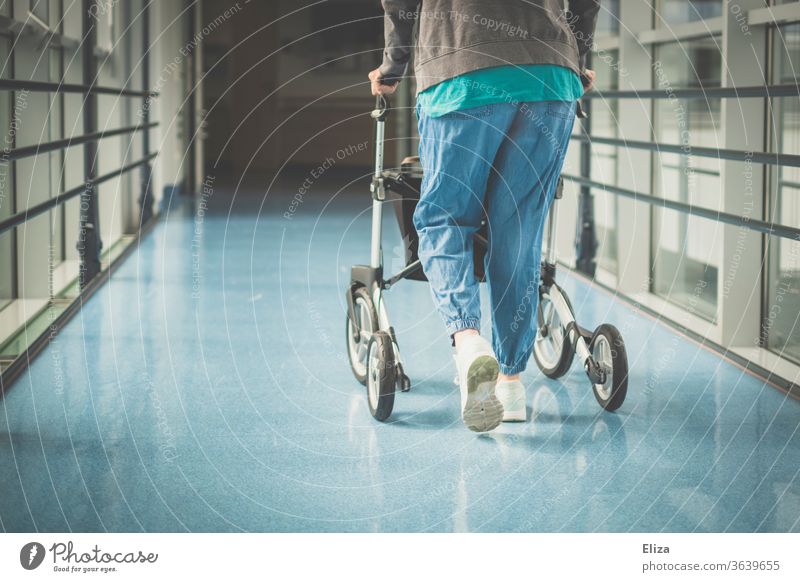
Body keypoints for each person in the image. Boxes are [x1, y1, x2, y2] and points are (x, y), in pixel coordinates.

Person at [369, 0, 599, 432]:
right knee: (518, 230)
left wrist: (393, 66)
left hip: (462, 68)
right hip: (549, 75)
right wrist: (579, 59)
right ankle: (511, 384)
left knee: (445, 219)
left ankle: (469, 341)